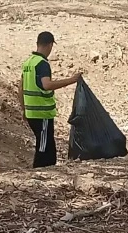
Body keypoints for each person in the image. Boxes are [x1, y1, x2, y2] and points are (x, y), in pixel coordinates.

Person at [19, 32, 81, 167]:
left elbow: (21, 87)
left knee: (48, 146)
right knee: (44, 147)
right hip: (42, 114)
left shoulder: (28, 62)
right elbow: (46, 85)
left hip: (31, 112)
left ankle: (48, 169)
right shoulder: (42, 64)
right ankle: (39, 171)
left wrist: (24, 108)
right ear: (50, 45)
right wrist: (71, 80)